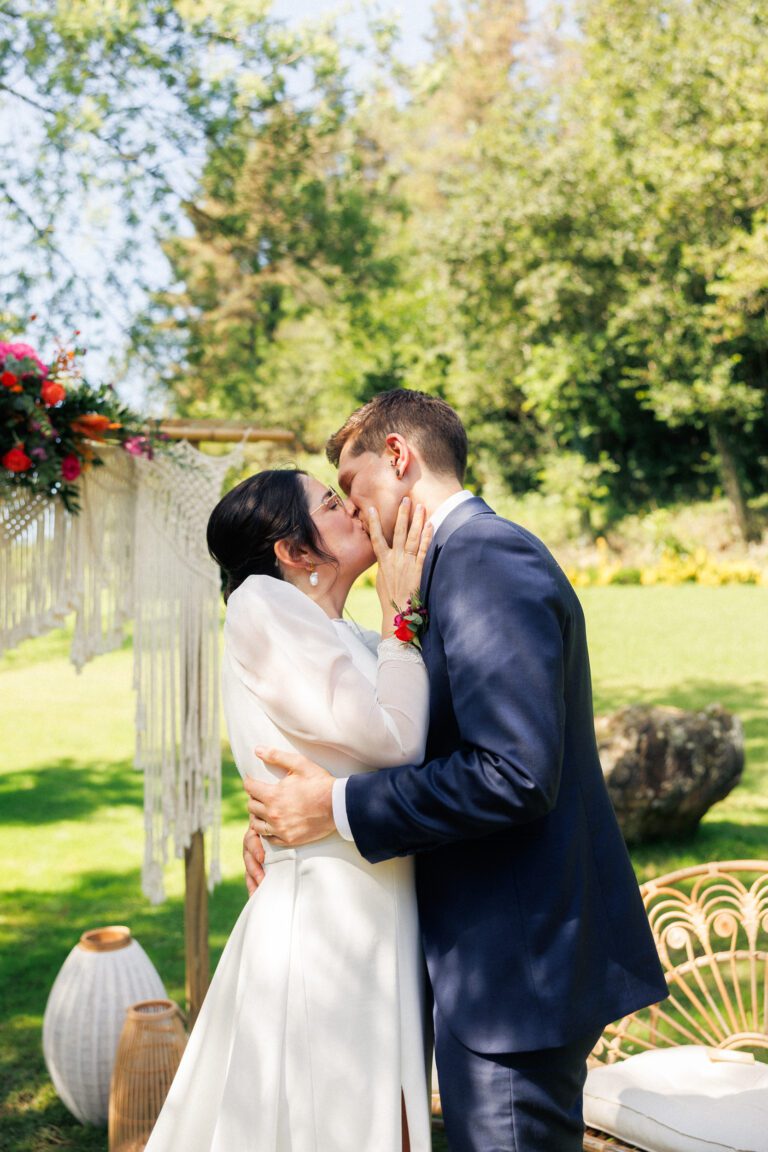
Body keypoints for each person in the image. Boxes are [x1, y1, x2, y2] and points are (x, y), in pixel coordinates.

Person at [243, 390, 669, 1152]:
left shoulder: (482, 559)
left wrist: (335, 810)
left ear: (399, 457)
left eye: (351, 483)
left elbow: (511, 772)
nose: (349, 507)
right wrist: (283, 820)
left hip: (516, 966)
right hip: (485, 956)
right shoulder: (441, 566)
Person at [144, 467, 435, 1152]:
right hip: (327, 924)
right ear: (294, 550)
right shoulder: (261, 605)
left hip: (374, 905)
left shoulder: (344, 633)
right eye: (331, 503)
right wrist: (404, 620)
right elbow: (396, 740)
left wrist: (394, 626)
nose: (352, 510)